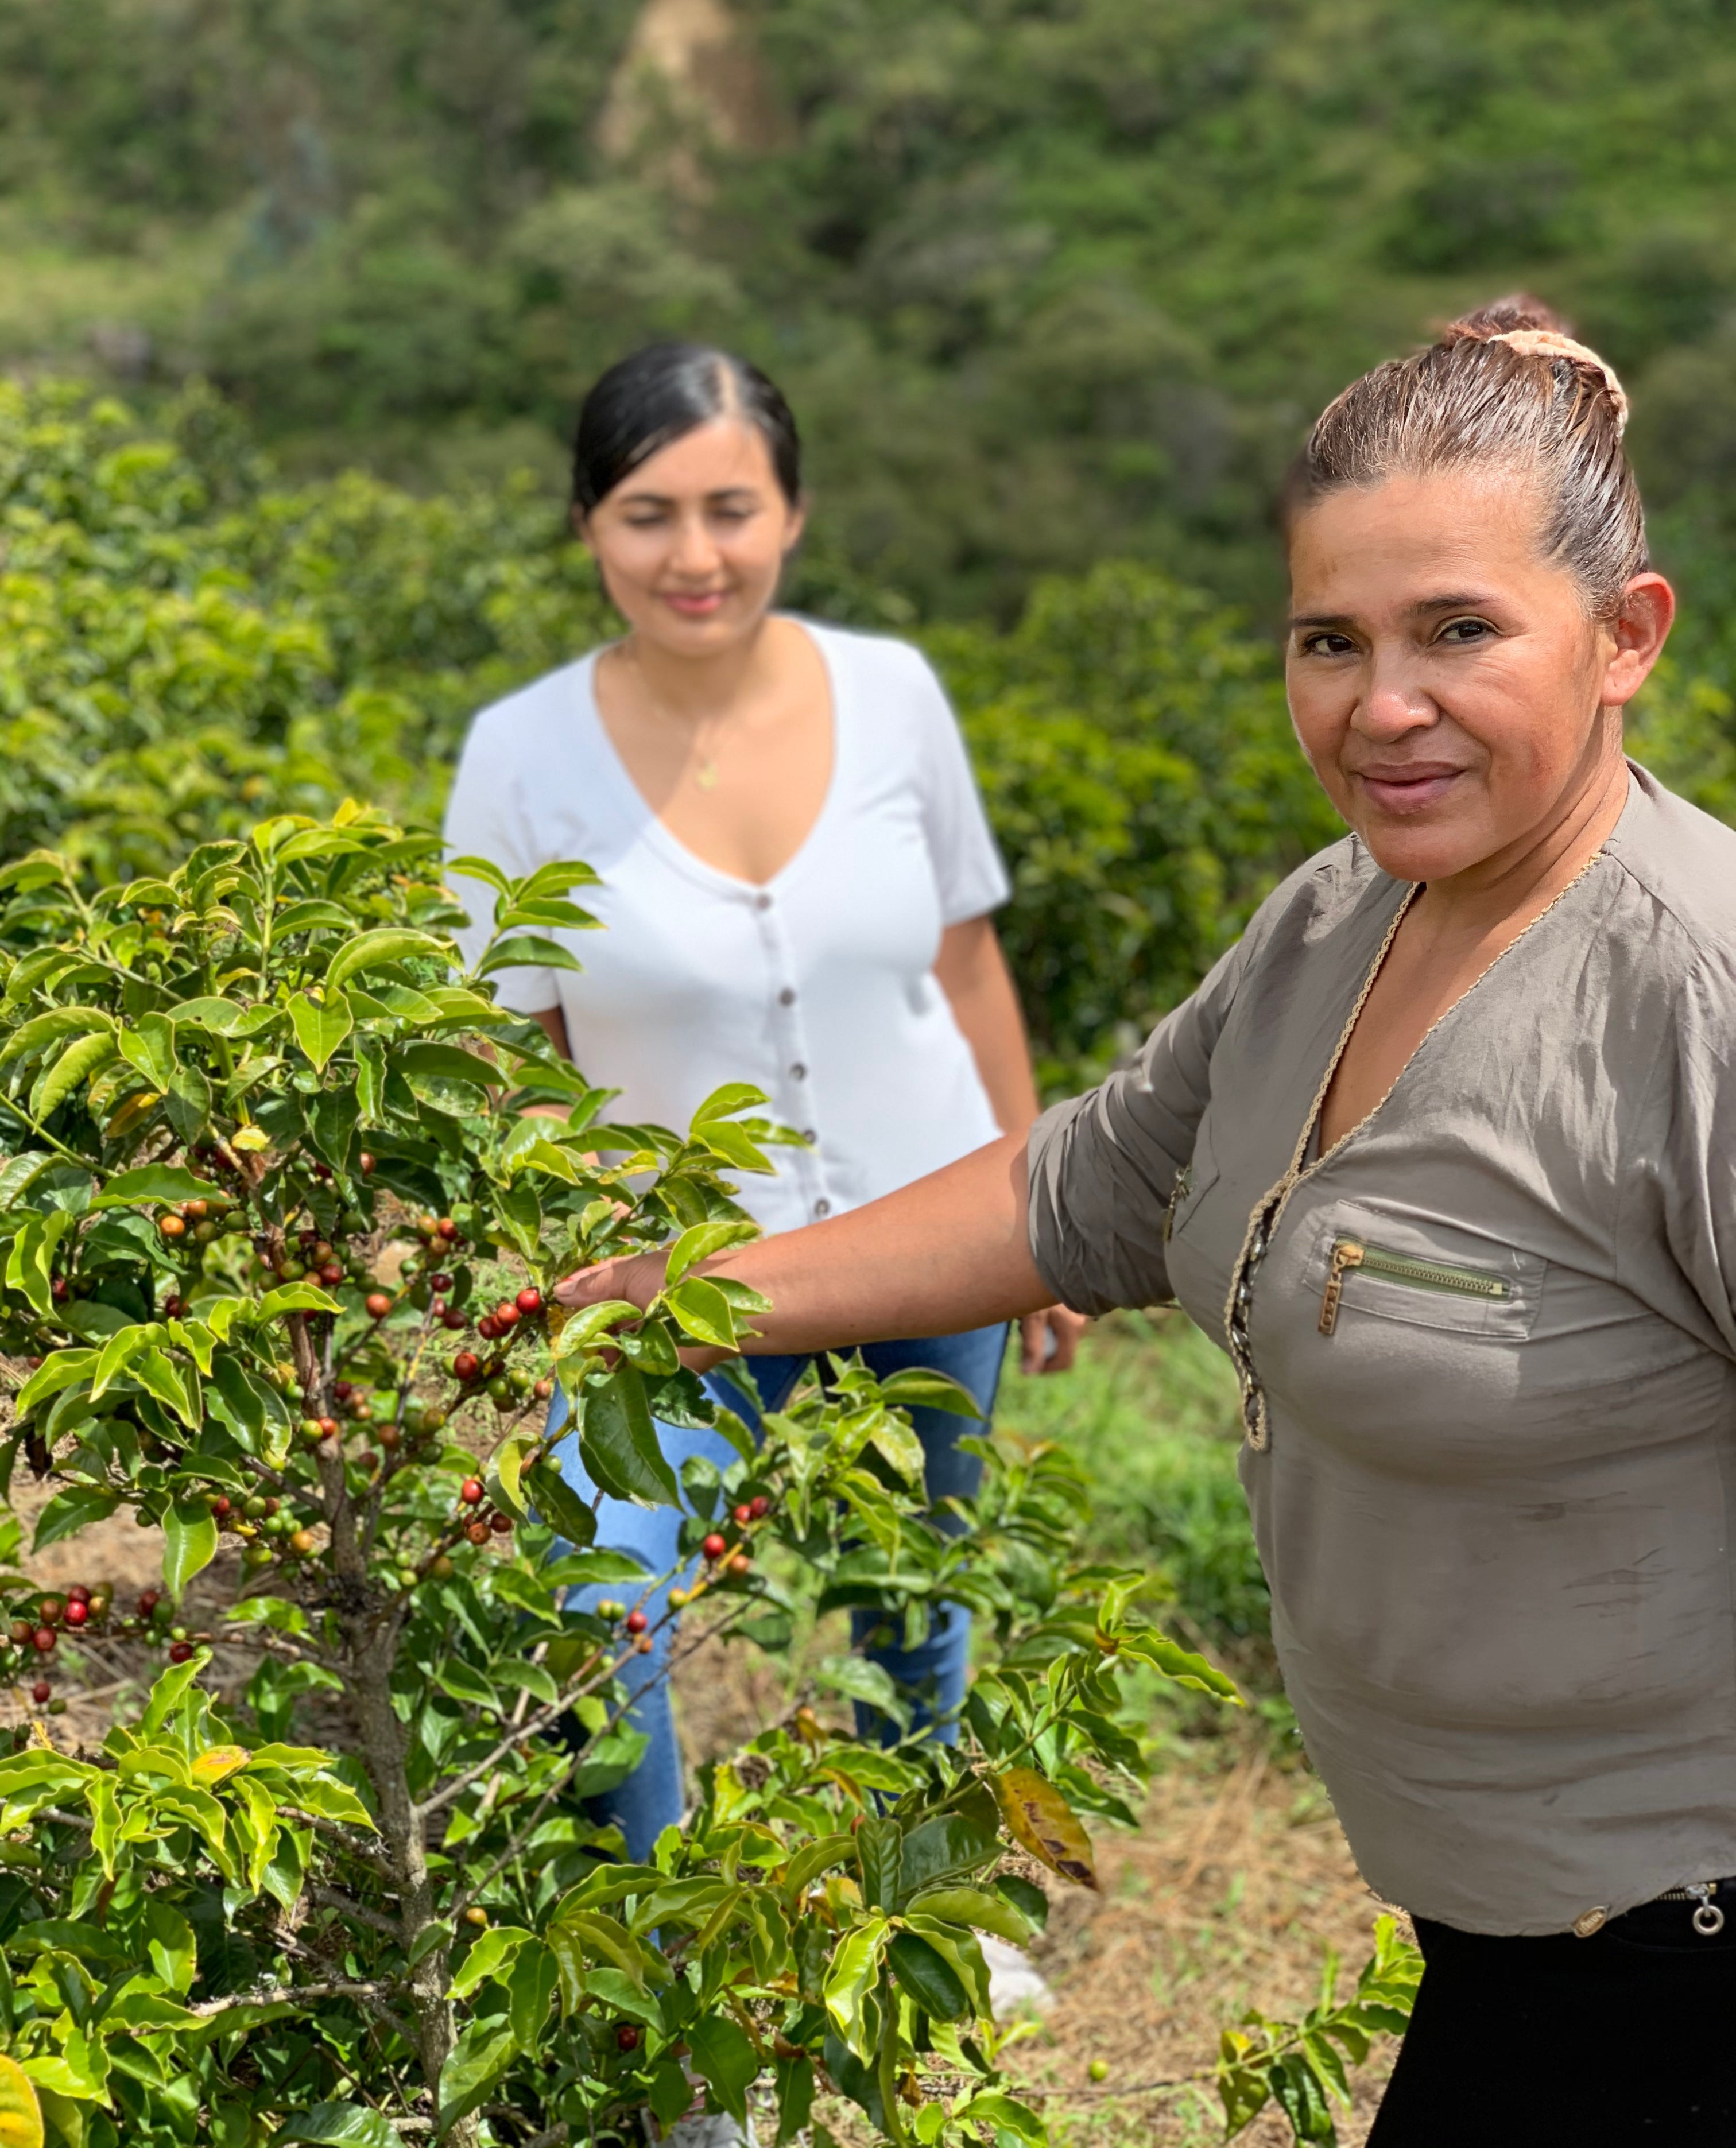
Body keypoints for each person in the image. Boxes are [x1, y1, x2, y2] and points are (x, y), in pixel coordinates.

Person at [557, 298, 1736, 2145]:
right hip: (1501, 1920)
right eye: (1329, 641)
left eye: (1460, 633)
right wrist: (687, 1292)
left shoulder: (1695, 996)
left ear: (1626, 638)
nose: (1383, 706)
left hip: (1673, 1941)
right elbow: (1092, 1178)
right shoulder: (1340, 919)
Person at [444, 340, 1084, 1866]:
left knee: (918, 1600)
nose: (695, 555)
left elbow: (969, 963)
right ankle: (657, 1986)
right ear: (589, 526)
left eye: (731, 509)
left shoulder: (893, 694)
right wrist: (591, 1249)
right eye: (648, 514)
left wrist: (1047, 1212)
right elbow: (511, 1046)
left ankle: (912, 1900)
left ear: (792, 515)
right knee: (595, 1601)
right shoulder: (518, 753)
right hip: (686, 1278)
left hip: (937, 1235)